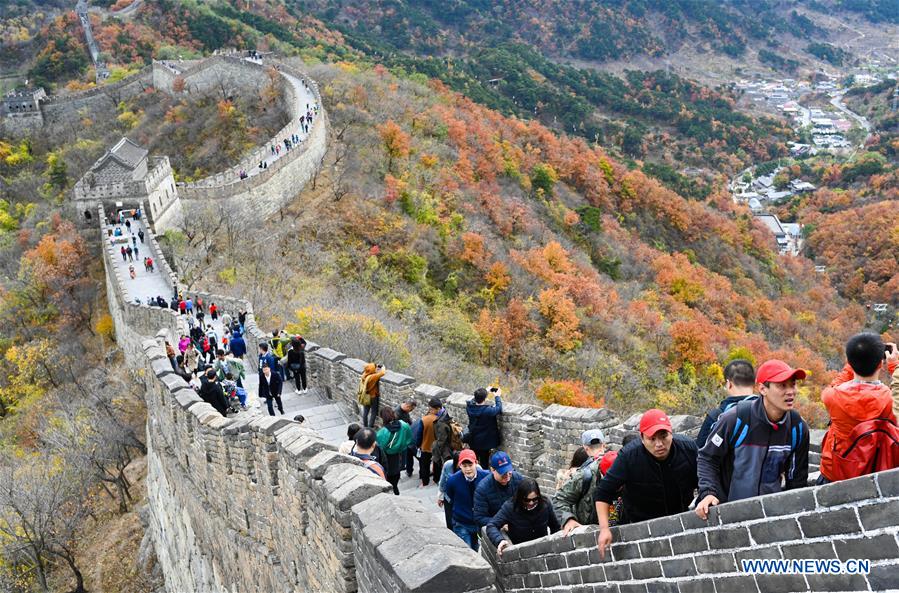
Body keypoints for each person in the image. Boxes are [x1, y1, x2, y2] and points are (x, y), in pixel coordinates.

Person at [695, 360, 810, 520]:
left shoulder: (797, 427)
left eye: (793, 385)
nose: (790, 391)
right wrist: (708, 492)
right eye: (782, 386)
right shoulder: (736, 419)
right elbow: (707, 458)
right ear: (762, 388)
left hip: (769, 515)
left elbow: (797, 479)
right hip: (728, 511)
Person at [594, 409, 698, 559]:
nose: (659, 444)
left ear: (671, 433)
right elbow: (603, 492)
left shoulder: (688, 449)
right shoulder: (629, 456)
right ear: (642, 438)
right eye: (652, 439)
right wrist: (604, 529)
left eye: (664, 437)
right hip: (641, 525)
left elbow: (706, 476)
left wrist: (707, 494)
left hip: (681, 518)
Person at [820, 335, 898, 483]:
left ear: (850, 362)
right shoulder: (890, 400)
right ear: (880, 364)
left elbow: (834, 385)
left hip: (836, 471)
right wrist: (895, 367)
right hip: (878, 469)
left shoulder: (832, 397)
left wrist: (853, 363)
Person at [553, 428, 607, 534]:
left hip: (590, 531)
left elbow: (559, 498)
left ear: (585, 448)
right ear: (604, 445)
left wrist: (568, 519)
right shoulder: (620, 463)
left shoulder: (582, 474)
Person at [488, 478, 561, 555]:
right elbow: (492, 525)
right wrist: (499, 540)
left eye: (535, 499)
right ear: (520, 498)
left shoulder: (545, 504)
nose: (531, 503)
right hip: (520, 552)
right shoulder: (510, 507)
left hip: (542, 549)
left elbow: (555, 527)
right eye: (527, 500)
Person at [696, 360, 757, 448]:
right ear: (755, 382)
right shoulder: (767, 411)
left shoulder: (717, 416)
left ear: (729, 384)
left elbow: (699, 451)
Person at [444, 449, 489, 551]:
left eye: (470, 465)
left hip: (479, 523)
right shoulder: (452, 481)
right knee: (467, 552)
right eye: (464, 466)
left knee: (476, 549)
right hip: (461, 523)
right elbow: (448, 502)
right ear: (459, 465)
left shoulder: (486, 477)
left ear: (476, 463)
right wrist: (450, 525)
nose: (468, 469)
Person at [473, 451, 523, 527]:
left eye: (509, 472)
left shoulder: (518, 479)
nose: (507, 476)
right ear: (492, 470)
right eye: (503, 473)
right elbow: (479, 517)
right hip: (495, 527)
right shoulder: (482, 489)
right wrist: (501, 523)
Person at [376, 408, 413, 495]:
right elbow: (409, 439)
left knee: (388, 477)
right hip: (400, 454)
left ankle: (393, 491)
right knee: (396, 474)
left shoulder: (381, 433)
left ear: (382, 418)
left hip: (387, 457)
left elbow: (380, 448)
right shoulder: (404, 425)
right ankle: (396, 490)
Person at [466, 386, 503, 469]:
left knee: (473, 461)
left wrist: (484, 391)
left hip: (473, 440)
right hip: (484, 443)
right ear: (485, 399)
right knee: (484, 463)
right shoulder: (487, 411)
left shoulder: (469, 408)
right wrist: (497, 396)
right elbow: (498, 408)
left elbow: (473, 400)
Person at [419, 397, 445, 486]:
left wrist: (419, 445)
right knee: (437, 464)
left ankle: (425, 482)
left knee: (424, 465)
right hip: (438, 446)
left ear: (436, 408)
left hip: (426, 446)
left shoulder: (424, 419)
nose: (430, 410)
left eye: (431, 409)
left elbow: (419, 434)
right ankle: (436, 479)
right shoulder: (444, 418)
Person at [437, 451, 461, 529]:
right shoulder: (448, 465)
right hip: (449, 498)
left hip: (465, 499)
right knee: (450, 522)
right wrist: (440, 497)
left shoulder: (475, 468)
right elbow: (443, 482)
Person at [395, 398, 418, 477]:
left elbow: (409, 420)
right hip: (400, 437)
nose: (411, 411)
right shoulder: (397, 413)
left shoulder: (405, 411)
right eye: (411, 409)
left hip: (406, 436)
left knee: (409, 452)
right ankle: (401, 467)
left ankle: (407, 469)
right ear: (408, 406)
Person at [359, 363, 386, 428]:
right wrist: (383, 367)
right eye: (375, 367)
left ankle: (365, 426)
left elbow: (373, 372)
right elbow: (382, 373)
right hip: (373, 397)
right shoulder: (372, 377)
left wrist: (375, 369)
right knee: (374, 411)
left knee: (366, 412)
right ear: (372, 369)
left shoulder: (364, 375)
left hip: (365, 396)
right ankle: (370, 427)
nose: (376, 368)